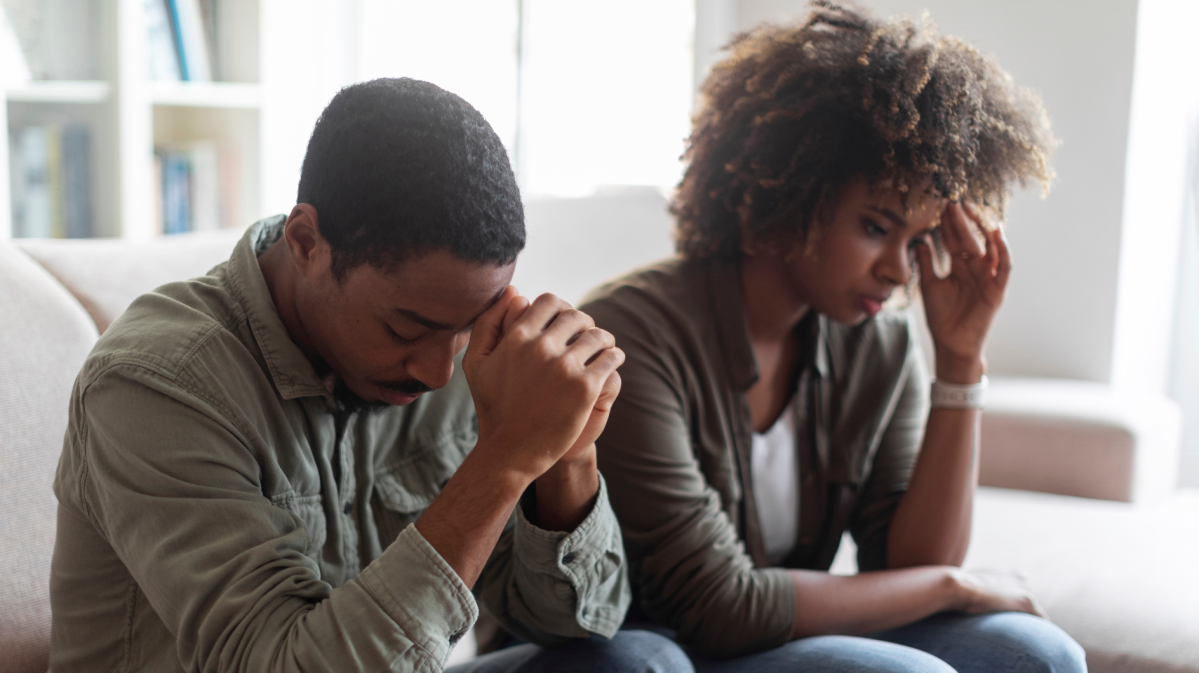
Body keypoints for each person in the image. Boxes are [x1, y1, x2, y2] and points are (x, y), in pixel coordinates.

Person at [49, 78, 691, 673]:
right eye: (406, 329)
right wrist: (502, 460)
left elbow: (580, 623)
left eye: (466, 326)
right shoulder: (156, 385)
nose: (441, 372)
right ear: (306, 242)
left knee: (638, 661)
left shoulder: (454, 361)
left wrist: (565, 451)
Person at [581, 3, 1086, 671]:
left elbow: (904, 561)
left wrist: (959, 365)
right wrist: (954, 584)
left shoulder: (879, 341)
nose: (896, 269)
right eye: (876, 227)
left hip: (761, 638)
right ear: (783, 195)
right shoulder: (635, 338)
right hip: (644, 643)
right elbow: (718, 605)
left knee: (1036, 653)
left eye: (919, 241)